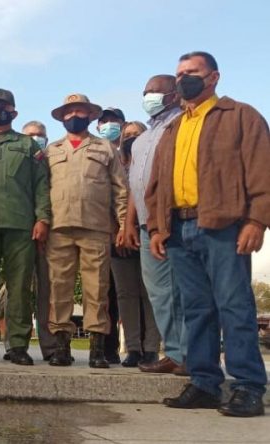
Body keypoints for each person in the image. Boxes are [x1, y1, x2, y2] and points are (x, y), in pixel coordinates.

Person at [147, 51, 269, 417]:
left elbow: (262, 169)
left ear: (213, 77)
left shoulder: (240, 116)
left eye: (192, 72)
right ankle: (203, 382)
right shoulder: (173, 127)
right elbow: (156, 184)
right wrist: (157, 227)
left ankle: (248, 386)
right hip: (180, 229)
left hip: (223, 225)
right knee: (196, 310)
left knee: (234, 306)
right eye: (179, 73)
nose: (184, 79)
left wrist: (257, 221)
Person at [0, 89, 50, 366]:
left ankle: (17, 345)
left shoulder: (29, 146)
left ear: (13, 112)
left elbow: (41, 185)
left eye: (2, 107)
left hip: (20, 226)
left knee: (19, 287)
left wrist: (42, 219)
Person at [44, 94, 127, 368]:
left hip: (96, 227)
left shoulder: (105, 149)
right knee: (59, 287)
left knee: (97, 289)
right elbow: (40, 190)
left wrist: (124, 223)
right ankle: (61, 346)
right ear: (62, 117)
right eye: (68, 112)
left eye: (79, 111)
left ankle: (97, 348)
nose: (73, 116)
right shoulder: (50, 151)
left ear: (90, 116)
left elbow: (120, 189)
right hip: (58, 227)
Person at [119, 74, 187, 376]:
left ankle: (193, 354)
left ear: (173, 95)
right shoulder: (143, 139)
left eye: (155, 92)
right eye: (145, 92)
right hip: (146, 224)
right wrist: (130, 222)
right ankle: (174, 352)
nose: (149, 97)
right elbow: (137, 183)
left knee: (185, 290)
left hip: (177, 220)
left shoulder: (183, 125)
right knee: (159, 292)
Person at [111, 121, 161, 367]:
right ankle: (132, 348)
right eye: (127, 135)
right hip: (117, 238)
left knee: (149, 293)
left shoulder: (151, 161)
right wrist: (118, 229)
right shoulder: (116, 164)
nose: (130, 138)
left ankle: (151, 348)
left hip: (147, 232)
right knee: (126, 295)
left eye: (136, 134)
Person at [21, 120, 58, 361]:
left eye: (40, 135)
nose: (36, 139)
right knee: (19, 290)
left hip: (52, 233)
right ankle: (17, 345)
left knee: (49, 291)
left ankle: (52, 346)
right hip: (22, 232)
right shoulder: (20, 160)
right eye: (31, 135)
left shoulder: (54, 158)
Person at [95, 108, 127, 364]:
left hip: (121, 232)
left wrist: (123, 226)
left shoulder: (129, 154)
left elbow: (123, 194)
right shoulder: (95, 152)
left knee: (119, 294)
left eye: (113, 121)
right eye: (104, 122)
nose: (108, 126)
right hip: (96, 231)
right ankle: (103, 346)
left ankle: (117, 348)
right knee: (100, 293)